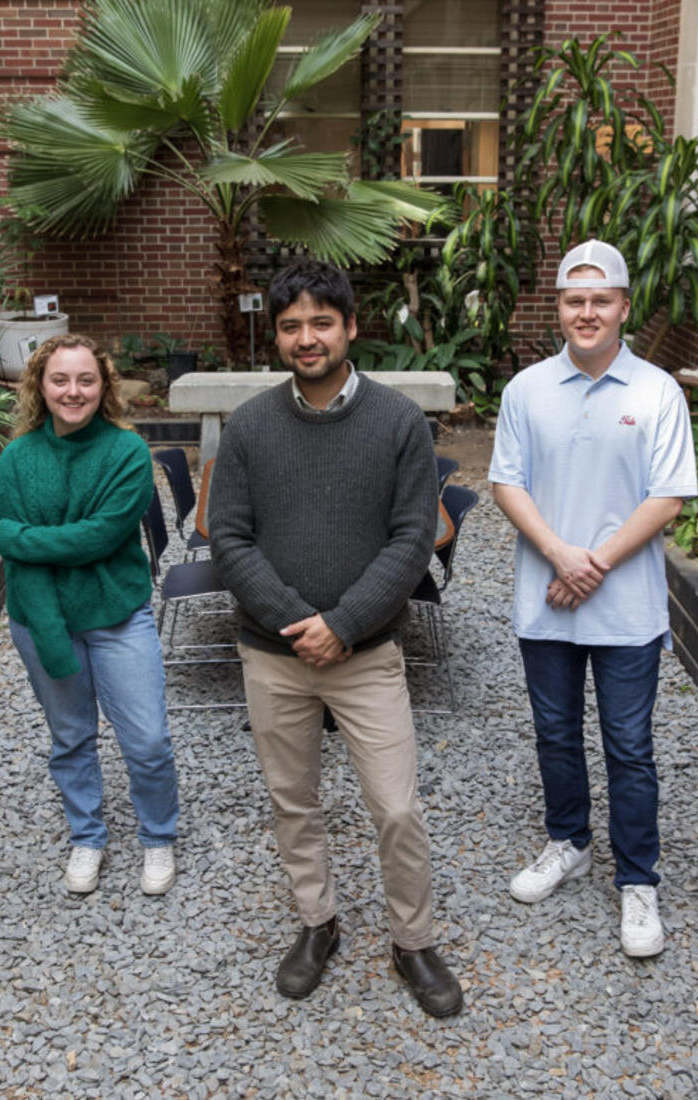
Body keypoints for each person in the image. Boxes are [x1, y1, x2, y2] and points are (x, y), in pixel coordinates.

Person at [209, 259, 463, 1017]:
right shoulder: (250, 425)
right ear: (277, 337)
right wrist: (297, 622)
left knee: (396, 807)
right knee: (294, 801)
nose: (307, 338)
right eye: (292, 326)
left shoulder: (397, 423)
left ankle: (412, 940)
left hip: (367, 655)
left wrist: (344, 624)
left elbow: (413, 536)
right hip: (271, 654)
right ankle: (317, 923)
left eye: (322, 322)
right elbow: (228, 536)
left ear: (351, 327)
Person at [488, 240, 697, 957]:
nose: (587, 312)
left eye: (600, 299)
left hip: (625, 607)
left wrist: (592, 563)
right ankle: (568, 841)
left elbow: (667, 497)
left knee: (630, 746)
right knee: (554, 732)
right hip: (544, 597)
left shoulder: (657, 392)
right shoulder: (526, 391)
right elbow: (506, 483)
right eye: (574, 301)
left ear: (623, 307)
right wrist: (559, 554)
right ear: (559, 308)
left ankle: (638, 880)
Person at [0, 334, 179, 898]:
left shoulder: (127, 453)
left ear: (104, 387)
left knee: (146, 739)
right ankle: (87, 836)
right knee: (71, 737)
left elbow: (103, 536)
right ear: (40, 387)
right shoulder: (18, 458)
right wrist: (51, 636)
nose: (72, 391)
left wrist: (21, 538)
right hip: (41, 619)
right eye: (60, 380)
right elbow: (23, 563)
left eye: (85, 380)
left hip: (117, 615)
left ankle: (157, 835)